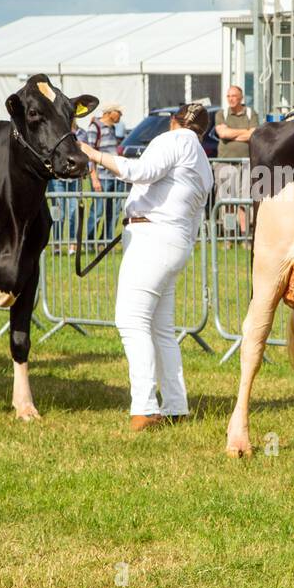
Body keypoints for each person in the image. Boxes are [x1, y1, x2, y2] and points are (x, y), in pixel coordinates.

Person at [79, 103, 214, 431]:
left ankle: (144, 407)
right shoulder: (202, 160)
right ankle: (175, 404)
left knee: (130, 321)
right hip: (175, 241)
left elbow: (139, 172)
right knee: (161, 328)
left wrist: (91, 153)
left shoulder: (173, 140)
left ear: (173, 121)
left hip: (152, 238)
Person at [214, 85, 258, 238]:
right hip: (225, 163)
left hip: (246, 163)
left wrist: (232, 133)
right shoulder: (222, 114)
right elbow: (223, 133)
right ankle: (229, 235)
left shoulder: (251, 114)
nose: (231, 99)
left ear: (241, 98)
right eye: (228, 96)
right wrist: (244, 132)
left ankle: (245, 235)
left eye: (234, 96)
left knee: (245, 200)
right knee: (228, 201)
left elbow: (254, 135)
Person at [82, 104, 125, 246]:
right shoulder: (95, 127)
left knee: (114, 212)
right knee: (98, 211)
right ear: (110, 112)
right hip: (102, 178)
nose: (121, 115)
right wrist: (94, 178)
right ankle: (89, 242)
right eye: (119, 112)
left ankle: (105, 242)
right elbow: (89, 154)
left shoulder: (112, 128)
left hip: (116, 177)